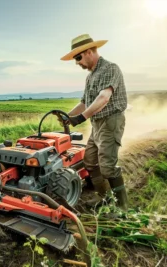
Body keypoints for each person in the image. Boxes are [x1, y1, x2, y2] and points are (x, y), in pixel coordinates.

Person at [60, 34, 128, 210]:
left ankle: (122, 208)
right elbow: (84, 102)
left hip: (110, 121)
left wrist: (82, 117)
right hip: (97, 124)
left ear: (89, 51)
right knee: (89, 161)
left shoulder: (110, 68)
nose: (77, 63)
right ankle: (105, 198)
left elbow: (104, 97)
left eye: (78, 58)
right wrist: (68, 116)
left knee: (107, 167)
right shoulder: (90, 76)